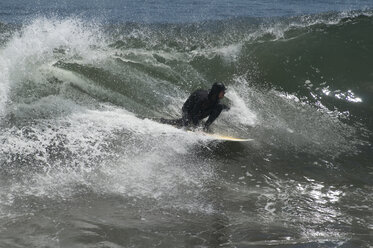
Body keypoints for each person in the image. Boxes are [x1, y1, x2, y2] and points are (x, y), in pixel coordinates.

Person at [160, 82, 229, 131]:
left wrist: (203, 128)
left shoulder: (216, 100)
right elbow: (194, 113)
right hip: (188, 109)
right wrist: (197, 128)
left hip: (201, 110)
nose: (224, 93)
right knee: (187, 122)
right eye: (222, 91)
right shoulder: (202, 98)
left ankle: (205, 127)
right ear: (217, 92)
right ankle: (166, 121)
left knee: (219, 107)